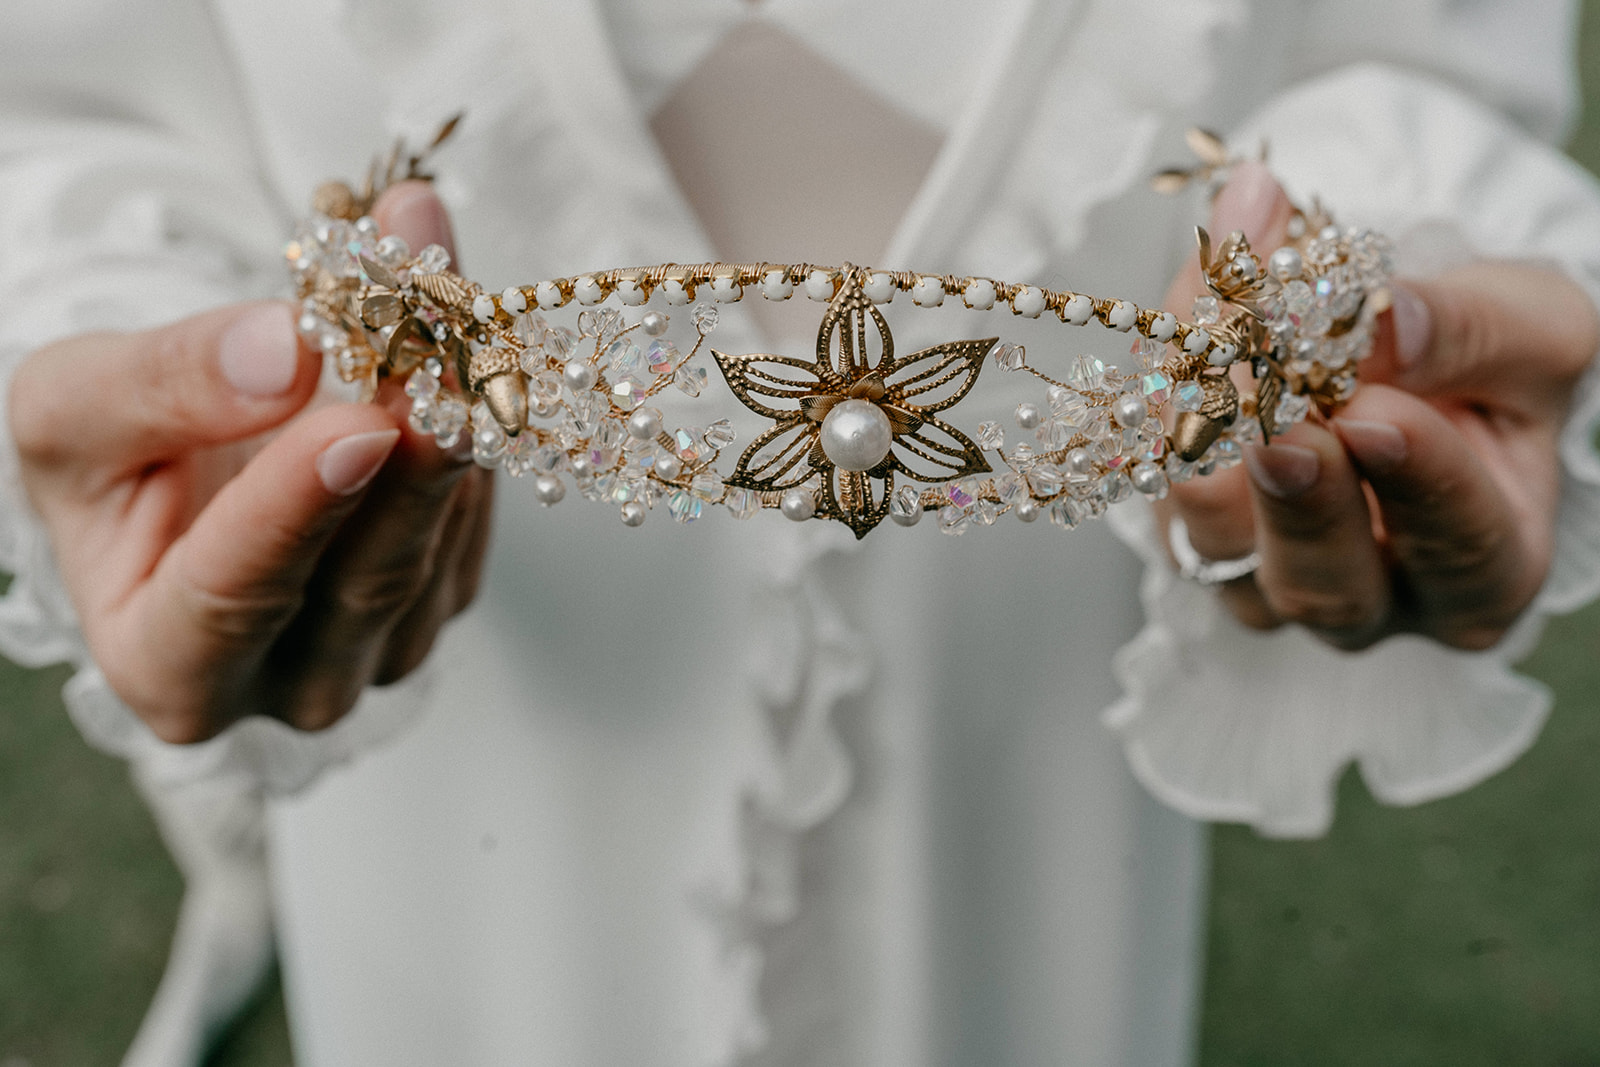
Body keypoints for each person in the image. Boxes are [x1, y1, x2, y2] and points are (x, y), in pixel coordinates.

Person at [3, 2, 1600, 1064]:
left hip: (1031, 695)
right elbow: (57, 95)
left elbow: (1419, 46)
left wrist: (1408, 295)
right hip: (474, 685)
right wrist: (141, 351)